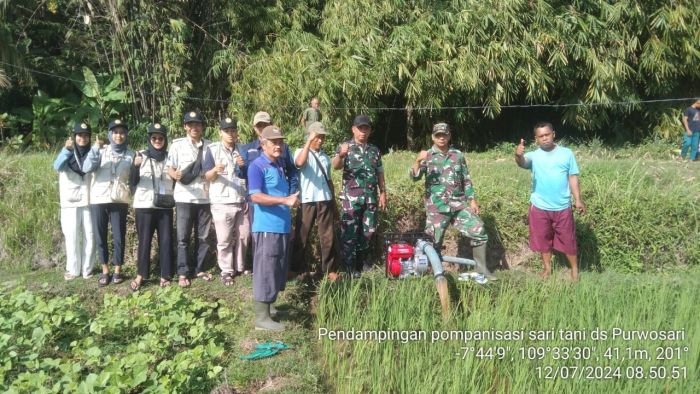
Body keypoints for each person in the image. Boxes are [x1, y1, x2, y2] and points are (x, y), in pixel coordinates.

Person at [410, 122, 493, 278]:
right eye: (438, 135)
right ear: (433, 137)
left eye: (444, 135)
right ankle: (429, 274)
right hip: (437, 207)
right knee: (432, 242)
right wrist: (417, 160)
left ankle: (482, 271)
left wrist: (472, 200)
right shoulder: (427, 155)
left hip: (458, 205)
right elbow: (414, 177)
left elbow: (466, 179)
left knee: (479, 230)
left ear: (449, 136)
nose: (441, 138)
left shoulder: (457, 155)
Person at [515, 121, 586, 281]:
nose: (545, 138)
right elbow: (522, 163)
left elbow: (572, 176)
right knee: (543, 239)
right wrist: (518, 155)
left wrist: (578, 199)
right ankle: (547, 269)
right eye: (541, 136)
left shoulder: (567, 153)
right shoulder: (533, 156)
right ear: (536, 139)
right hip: (539, 206)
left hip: (562, 206)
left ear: (553, 134)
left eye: (547, 134)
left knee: (568, 239)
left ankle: (574, 270)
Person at [248, 125, 300, 331]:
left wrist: (289, 220)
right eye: (274, 142)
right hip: (267, 227)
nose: (278, 145)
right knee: (265, 269)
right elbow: (255, 196)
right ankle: (261, 318)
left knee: (277, 268)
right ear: (263, 144)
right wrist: (285, 200)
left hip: (282, 227)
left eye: (280, 141)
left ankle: (271, 309)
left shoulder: (279, 164)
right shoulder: (257, 166)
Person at [331, 114, 387, 277]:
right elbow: (335, 166)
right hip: (351, 199)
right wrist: (341, 155)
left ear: (370, 131)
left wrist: (383, 192)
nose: (363, 131)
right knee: (349, 232)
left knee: (368, 232)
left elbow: (380, 173)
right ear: (353, 129)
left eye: (366, 128)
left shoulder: (374, 150)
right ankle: (348, 267)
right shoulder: (345, 146)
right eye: (360, 128)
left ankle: (363, 264)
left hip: (370, 198)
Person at [82, 119, 135, 286]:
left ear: (126, 135)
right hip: (99, 198)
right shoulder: (100, 151)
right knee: (100, 234)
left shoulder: (132, 155)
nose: (119, 135)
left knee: (119, 235)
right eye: (115, 132)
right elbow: (87, 167)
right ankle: (105, 270)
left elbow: (134, 178)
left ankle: (118, 270)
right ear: (110, 134)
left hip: (119, 199)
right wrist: (96, 148)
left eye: (122, 132)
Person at [167, 111, 214, 287]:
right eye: (191, 124)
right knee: (183, 238)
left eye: (198, 124)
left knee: (203, 237)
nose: (195, 127)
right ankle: (183, 272)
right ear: (185, 126)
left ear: (202, 127)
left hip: (204, 197)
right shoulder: (177, 145)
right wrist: (175, 174)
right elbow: (169, 168)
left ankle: (200, 269)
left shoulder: (210, 146)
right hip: (184, 197)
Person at [202, 117, 249, 285]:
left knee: (244, 235)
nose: (231, 134)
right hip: (222, 201)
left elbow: (248, 174)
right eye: (227, 131)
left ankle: (240, 266)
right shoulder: (212, 150)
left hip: (241, 199)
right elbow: (206, 176)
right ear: (220, 132)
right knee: (224, 238)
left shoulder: (242, 149)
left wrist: (243, 166)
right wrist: (215, 169)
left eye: (233, 130)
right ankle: (226, 271)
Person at [290, 121, 339, 281]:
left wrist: (333, 201)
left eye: (322, 137)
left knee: (328, 236)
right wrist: (307, 143)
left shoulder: (325, 156)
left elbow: (329, 180)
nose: (320, 140)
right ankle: (297, 268)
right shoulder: (300, 151)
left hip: (324, 199)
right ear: (309, 137)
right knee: (301, 235)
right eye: (316, 137)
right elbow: (299, 163)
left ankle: (329, 269)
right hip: (307, 200)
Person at [129, 123, 175, 290]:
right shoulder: (140, 156)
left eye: (160, 138)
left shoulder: (171, 158)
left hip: (165, 206)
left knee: (166, 241)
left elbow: (176, 180)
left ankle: (165, 275)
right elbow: (132, 182)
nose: (157, 140)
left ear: (165, 140)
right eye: (154, 138)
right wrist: (135, 166)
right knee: (144, 241)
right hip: (144, 206)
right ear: (149, 139)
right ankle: (141, 275)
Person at [53, 121, 96, 280]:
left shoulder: (93, 153)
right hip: (69, 202)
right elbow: (57, 166)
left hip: (89, 201)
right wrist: (66, 150)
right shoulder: (67, 152)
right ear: (74, 136)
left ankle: (87, 269)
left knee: (90, 236)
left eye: (86, 135)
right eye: (80, 135)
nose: (83, 138)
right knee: (71, 236)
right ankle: (72, 269)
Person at [239, 111, 298, 194]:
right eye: (259, 125)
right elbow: (242, 175)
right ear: (254, 128)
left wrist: (291, 193)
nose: (262, 128)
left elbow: (292, 172)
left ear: (271, 125)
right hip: (256, 199)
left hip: (280, 198)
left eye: (265, 125)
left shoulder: (282, 147)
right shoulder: (247, 149)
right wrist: (241, 167)